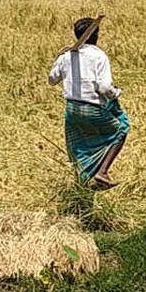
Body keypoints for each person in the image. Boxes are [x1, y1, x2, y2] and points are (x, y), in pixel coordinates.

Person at [49, 17, 129, 189]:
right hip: (92, 108)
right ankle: (102, 172)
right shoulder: (99, 56)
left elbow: (52, 79)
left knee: (79, 146)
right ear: (97, 35)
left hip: (71, 110)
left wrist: (59, 57)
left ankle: (82, 186)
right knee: (121, 129)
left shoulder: (67, 56)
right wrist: (115, 93)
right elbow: (104, 87)